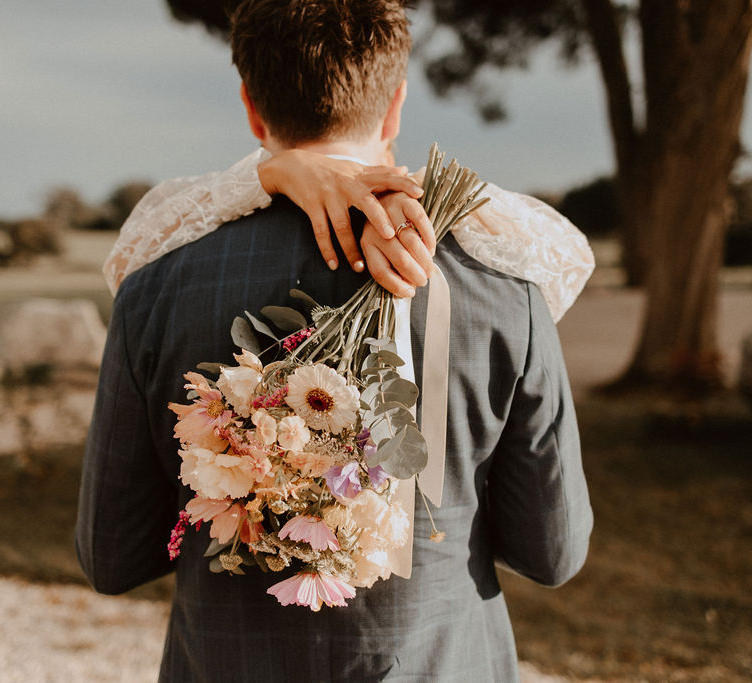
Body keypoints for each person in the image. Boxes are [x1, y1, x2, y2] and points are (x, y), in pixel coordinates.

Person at [76, 0, 593, 680]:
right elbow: (553, 552)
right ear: (397, 105)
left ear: (251, 108)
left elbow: (113, 555)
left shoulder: (157, 282)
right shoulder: (505, 288)